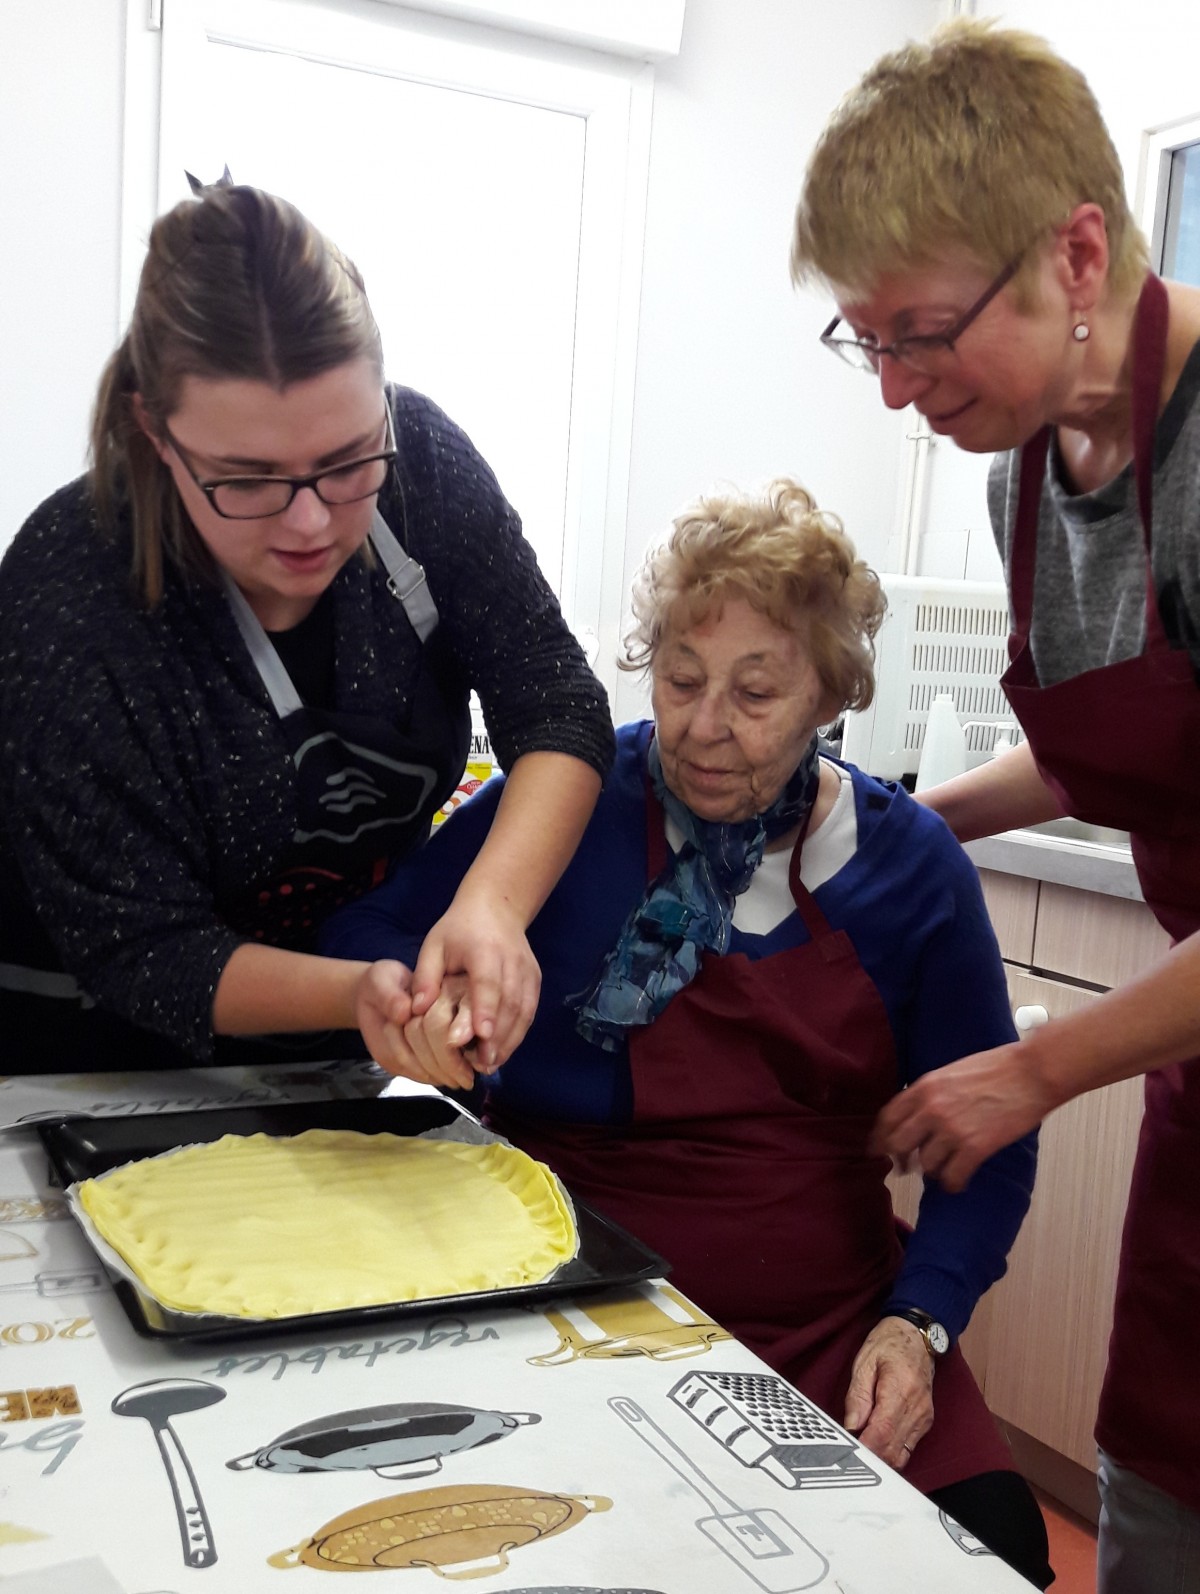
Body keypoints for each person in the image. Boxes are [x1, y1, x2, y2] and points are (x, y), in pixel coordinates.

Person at [322, 477, 1052, 1587]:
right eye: (679, 679)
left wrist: (922, 1323)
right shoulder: (569, 805)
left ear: (830, 694)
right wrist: (413, 1002)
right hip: (571, 1302)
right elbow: (366, 933)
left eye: (755, 692)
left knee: (994, 1549)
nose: (705, 729)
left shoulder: (914, 871)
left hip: (835, 1326)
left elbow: (990, 1137)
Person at [790, 20, 1200, 1593]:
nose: (898, 391)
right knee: (1166, 1481)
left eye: (924, 335)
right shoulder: (1020, 470)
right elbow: (1113, 745)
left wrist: (1034, 1069)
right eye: (866, 344)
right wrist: (886, 816)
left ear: (1076, 254)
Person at [0, 179, 613, 1077]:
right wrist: (360, 992)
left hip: (346, 1029)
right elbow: (145, 950)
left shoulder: (423, 467)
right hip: (92, 1056)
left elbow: (556, 701)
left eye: (349, 461)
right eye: (248, 479)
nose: (312, 522)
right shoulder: (69, 588)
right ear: (155, 432)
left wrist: (491, 906)